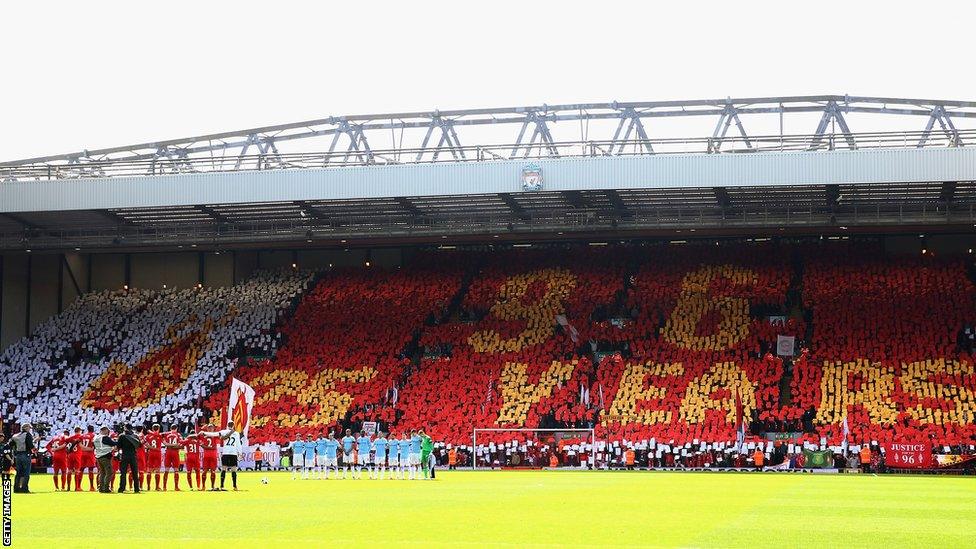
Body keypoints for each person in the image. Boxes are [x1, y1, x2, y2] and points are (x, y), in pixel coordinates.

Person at [200, 420, 243, 491]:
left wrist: (204, 432)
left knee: (223, 469)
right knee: (234, 470)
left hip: (226, 452)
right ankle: (235, 486)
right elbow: (238, 444)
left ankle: (222, 486)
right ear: (233, 426)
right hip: (233, 453)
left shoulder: (223, 432)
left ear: (227, 425)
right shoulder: (237, 433)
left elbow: (214, 434)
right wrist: (240, 453)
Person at [116, 424, 143, 493]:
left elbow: (118, 446)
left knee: (123, 473)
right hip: (133, 455)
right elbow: (139, 445)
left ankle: (122, 488)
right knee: (135, 473)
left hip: (124, 455)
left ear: (125, 428)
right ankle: (136, 489)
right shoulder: (135, 436)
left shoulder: (122, 436)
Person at [11, 423, 36, 493]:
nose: (30, 429)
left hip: (18, 456)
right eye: (29, 428)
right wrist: (35, 449)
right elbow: (31, 446)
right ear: (26, 428)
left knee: (18, 473)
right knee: (26, 473)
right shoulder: (27, 435)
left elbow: (10, 444)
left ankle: (16, 489)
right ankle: (24, 489)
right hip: (26, 455)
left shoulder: (15, 435)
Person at [93, 426, 116, 493]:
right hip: (105, 457)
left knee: (102, 473)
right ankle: (106, 488)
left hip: (98, 456)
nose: (108, 433)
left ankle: (100, 488)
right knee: (109, 472)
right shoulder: (105, 438)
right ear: (105, 430)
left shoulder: (95, 437)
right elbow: (113, 443)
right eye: (107, 431)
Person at [199, 424, 221, 490]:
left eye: (211, 428)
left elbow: (201, 445)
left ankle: (203, 486)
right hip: (213, 455)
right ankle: (212, 486)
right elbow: (217, 446)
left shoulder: (204, 436)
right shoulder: (215, 436)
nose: (210, 429)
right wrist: (211, 448)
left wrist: (206, 447)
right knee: (212, 471)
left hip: (206, 455)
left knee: (205, 471)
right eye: (210, 428)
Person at [162, 425, 183, 490]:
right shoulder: (178, 434)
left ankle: (164, 487)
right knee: (176, 469)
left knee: (166, 469)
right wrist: (174, 445)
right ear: (176, 428)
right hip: (175, 452)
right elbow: (180, 443)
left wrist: (169, 445)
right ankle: (176, 487)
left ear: (170, 428)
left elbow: (164, 443)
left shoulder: (166, 434)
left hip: (168, 451)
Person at [77, 426, 97, 492]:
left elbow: (79, 444)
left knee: (81, 469)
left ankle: (78, 487)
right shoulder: (94, 435)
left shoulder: (82, 435)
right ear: (93, 430)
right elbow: (95, 445)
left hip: (82, 454)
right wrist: (89, 449)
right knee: (90, 470)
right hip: (90, 454)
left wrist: (84, 448)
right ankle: (91, 487)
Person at [144, 423, 163, 491]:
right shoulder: (160, 435)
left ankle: (148, 486)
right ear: (159, 429)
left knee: (149, 470)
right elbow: (164, 442)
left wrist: (151, 447)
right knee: (157, 471)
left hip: (151, 453)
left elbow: (144, 443)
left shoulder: (148, 436)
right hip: (158, 453)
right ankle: (157, 487)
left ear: (152, 429)